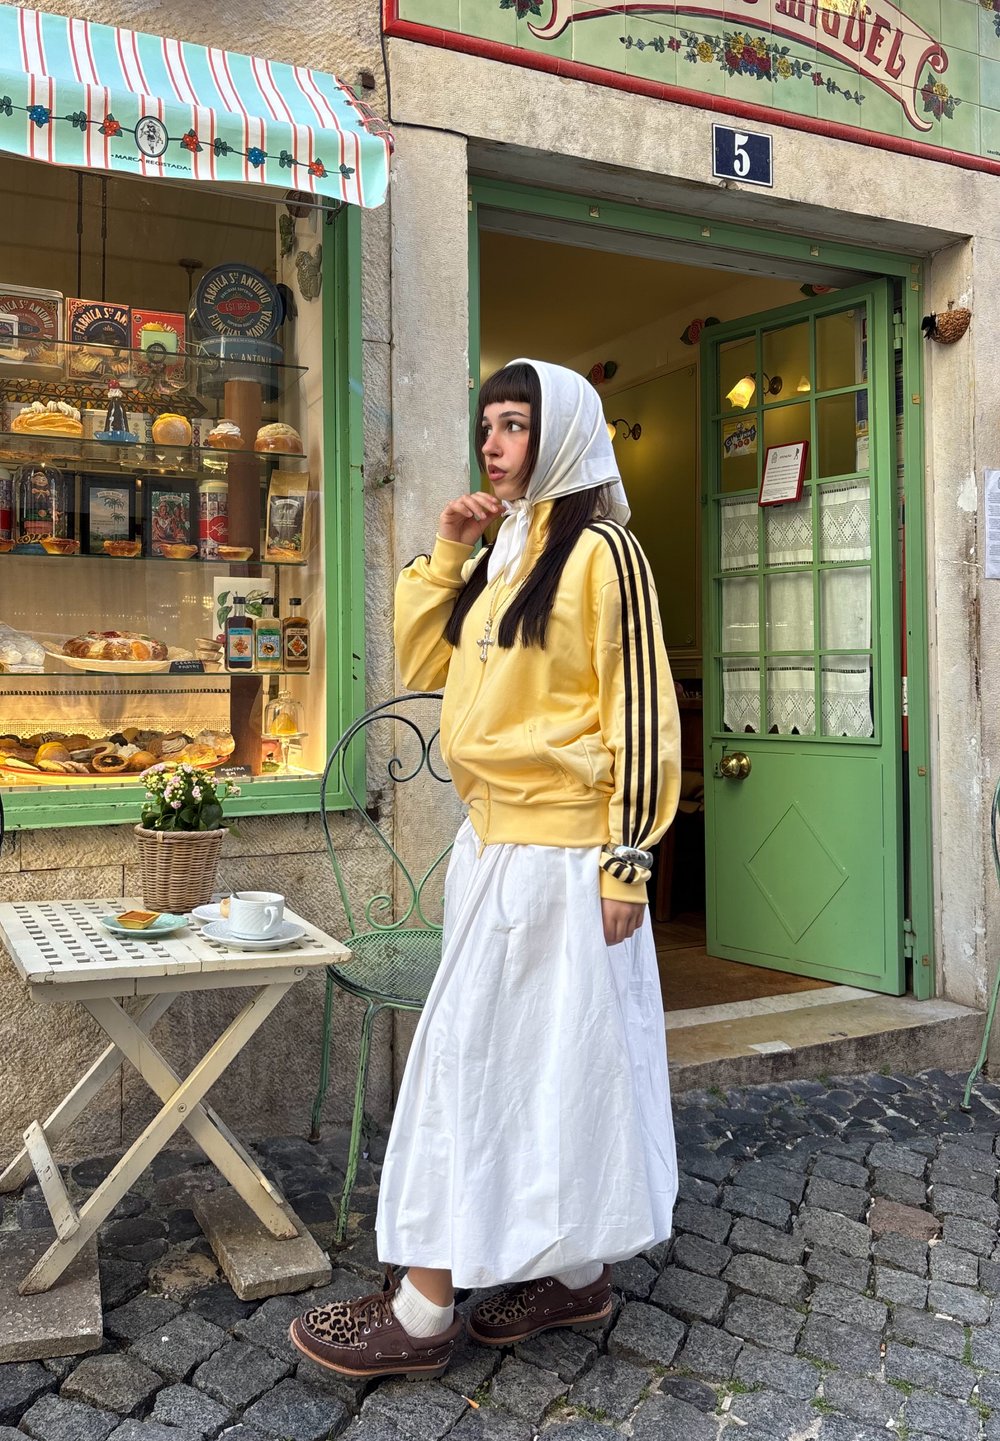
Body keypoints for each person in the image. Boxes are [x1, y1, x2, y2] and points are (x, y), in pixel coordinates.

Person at [290, 358, 681, 1379]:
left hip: (564, 861)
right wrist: (449, 548)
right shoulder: (508, 547)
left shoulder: (603, 553)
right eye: (489, 426)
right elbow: (425, 665)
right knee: (555, 1065)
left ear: (563, 435)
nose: (495, 445)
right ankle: (576, 1270)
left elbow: (641, 708)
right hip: (492, 852)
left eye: (516, 425)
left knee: (475, 1061)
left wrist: (627, 860)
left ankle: (424, 1308)